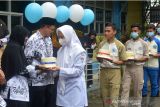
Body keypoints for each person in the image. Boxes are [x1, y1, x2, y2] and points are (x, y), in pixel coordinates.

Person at [49, 25, 88, 107]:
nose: (60, 39)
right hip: (62, 87)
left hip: (74, 87)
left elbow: (78, 71)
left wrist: (60, 69)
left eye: (62, 37)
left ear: (68, 35)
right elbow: (58, 67)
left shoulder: (79, 51)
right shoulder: (60, 50)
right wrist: (51, 70)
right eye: (59, 37)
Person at [24, 18, 57, 107]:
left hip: (49, 79)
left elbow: (49, 56)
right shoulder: (32, 39)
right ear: (45, 27)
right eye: (51, 29)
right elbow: (27, 60)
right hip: (37, 81)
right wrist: (40, 68)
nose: (52, 32)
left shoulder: (49, 39)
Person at [97, 22, 126, 107]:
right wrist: (100, 58)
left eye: (108, 31)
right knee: (104, 97)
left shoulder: (120, 45)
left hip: (115, 72)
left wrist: (112, 61)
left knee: (114, 98)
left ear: (114, 32)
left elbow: (123, 61)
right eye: (105, 31)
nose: (106, 33)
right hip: (103, 71)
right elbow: (99, 59)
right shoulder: (102, 44)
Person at [1, 25, 30, 107]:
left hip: (15, 88)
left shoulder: (14, 46)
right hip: (14, 89)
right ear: (20, 36)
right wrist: (35, 69)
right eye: (25, 36)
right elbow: (20, 68)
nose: (27, 38)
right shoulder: (14, 47)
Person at [120, 23, 148, 107]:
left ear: (139, 31)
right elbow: (124, 55)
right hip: (128, 68)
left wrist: (136, 59)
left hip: (138, 68)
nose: (133, 32)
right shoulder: (127, 43)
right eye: (132, 31)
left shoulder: (144, 43)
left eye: (135, 31)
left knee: (137, 89)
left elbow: (146, 57)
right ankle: (123, 105)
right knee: (125, 88)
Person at [142, 24, 160, 97]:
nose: (149, 32)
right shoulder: (144, 41)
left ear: (154, 31)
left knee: (154, 83)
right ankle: (144, 95)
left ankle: (154, 96)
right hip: (144, 66)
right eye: (148, 31)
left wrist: (154, 55)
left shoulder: (158, 41)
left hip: (154, 66)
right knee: (143, 82)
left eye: (151, 31)